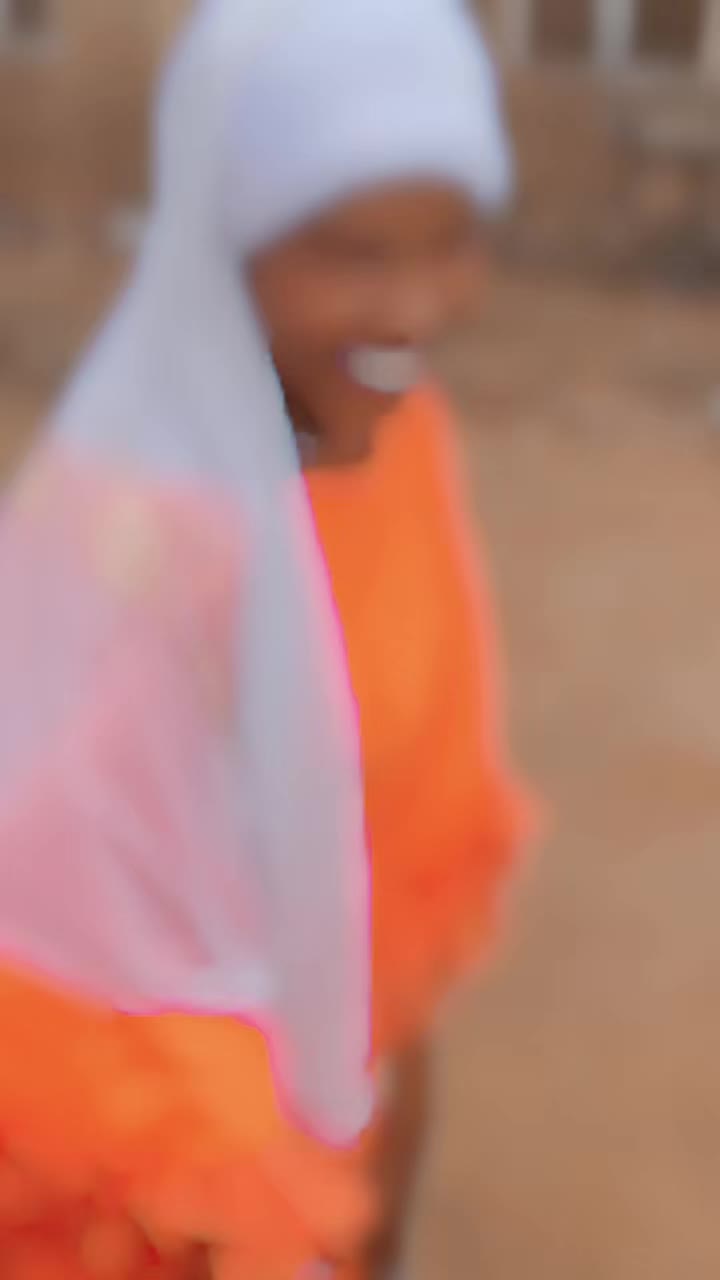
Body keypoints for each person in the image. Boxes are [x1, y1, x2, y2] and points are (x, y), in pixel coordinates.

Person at [0, 0, 537, 1277]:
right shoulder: (140, 535)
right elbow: (92, 942)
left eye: (451, 239)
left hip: (338, 1088)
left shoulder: (400, 441)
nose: (416, 305)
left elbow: (403, 833)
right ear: (224, 239)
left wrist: (374, 1170)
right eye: (353, 252)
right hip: (177, 1159)